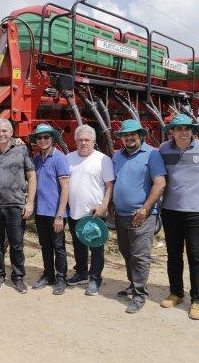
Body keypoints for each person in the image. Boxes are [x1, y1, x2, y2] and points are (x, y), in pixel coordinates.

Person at [158, 114, 199, 320]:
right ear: (171, 132)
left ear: (192, 130)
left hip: (195, 211)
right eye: (178, 128)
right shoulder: (164, 149)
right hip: (170, 211)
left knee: (196, 255)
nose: (183, 132)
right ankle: (176, 292)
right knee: (173, 254)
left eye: (187, 128)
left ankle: (198, 299)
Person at [112, 119, 166, 314]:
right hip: (121, 215)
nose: (129, 137)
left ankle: (140, 294)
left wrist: (145, 209)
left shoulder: (152, 154)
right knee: (127, 253)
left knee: (140, 256)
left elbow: (159, 184)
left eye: (133, 134)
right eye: (125, 135)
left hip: (142, 215)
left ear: (140, 135)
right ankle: (133, 284)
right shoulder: (117, 156)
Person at [0, 118, 36, 294]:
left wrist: (30, 202)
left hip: (15, 205)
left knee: (16, 244)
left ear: (12, 132)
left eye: (5, 131)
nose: (1, 134)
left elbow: (32, 176)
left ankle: (18, 277)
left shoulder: (21, 149)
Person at [66, 125, 114, 296]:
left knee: (96, 247)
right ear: (75, 141)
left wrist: (103, 206)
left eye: (87, 140)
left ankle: (95, 278)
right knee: (78, 244)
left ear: (93, 141)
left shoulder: (103, 160)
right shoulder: (68, 158)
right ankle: (81, 273)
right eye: (80, 140)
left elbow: (109, 186)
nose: (83, 143)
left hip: (95, 213)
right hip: (74, 211)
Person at [29, 123, 70, 295]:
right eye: (39, 137)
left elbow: (65, 187)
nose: (43, 140)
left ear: (53, 139)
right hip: (40, 211)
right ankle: (48, 275)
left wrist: (60, 215)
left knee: (58, 246)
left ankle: (61, 278)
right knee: (45, 245)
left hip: (56, 213)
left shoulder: (59, 158)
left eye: (46, 137)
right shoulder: (37, 159)